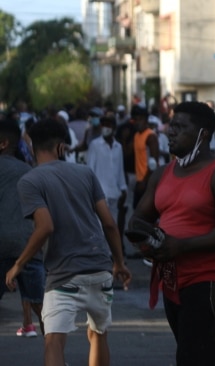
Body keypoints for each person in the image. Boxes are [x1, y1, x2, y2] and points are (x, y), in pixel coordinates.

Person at [129, 101, 215, 365]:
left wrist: (180, 245)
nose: (171, 132)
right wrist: (145, 239)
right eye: (172, 125)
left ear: (203, 134)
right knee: (193, 351)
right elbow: (139, 218)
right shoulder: (162, 173)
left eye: (180, 127)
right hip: (172, 278)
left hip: (211, 277)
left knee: (194, 356)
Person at [4, 119, 131, 366]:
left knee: (53, 342)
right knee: (98, 335)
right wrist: (119, 263)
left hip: (63, 276)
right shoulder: (85, 173)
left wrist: (19, 264)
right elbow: (109, 224)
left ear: (32, 147)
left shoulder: (30, 181)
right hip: (99, 270)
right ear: (62, 148)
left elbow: (45, 227)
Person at [0, 120, 45, 337]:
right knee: (41, 308)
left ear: (3, 143)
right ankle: (55, 356)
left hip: (1, 246)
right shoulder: (29, 171)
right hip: (28, 247)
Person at [86, 116, 128, 255]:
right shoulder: (95, 145)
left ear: (114, 128)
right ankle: (99, 255)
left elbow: (119, 169)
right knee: (99, 225)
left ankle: (112, 255)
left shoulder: (118, 147)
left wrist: (123, 188)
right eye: (103, 125)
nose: (105, 128)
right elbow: (90, 168)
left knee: (113, 225)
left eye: (108, 125)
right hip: (99, 193)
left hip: (114, 192)